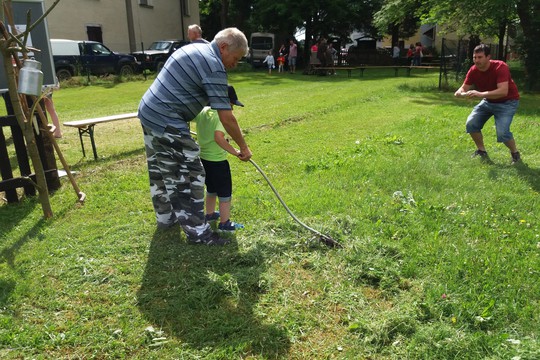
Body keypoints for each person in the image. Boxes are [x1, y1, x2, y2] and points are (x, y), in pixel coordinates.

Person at [138, 27, 252, 246]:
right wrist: (244, 148)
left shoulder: (197, 49)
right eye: (235, 59)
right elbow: (227, 117)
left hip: (149, 111)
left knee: (161, 168)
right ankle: (199, 233)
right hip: (166, 117)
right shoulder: (214, 64)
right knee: (191, 172)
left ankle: (166, 218)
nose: (234, 65)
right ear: (224, 47)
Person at [454, 44, 521, 164]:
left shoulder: (500, 67)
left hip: (507, 102)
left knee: (502, 132)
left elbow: (502, 91)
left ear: (488, 57)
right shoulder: (473, 70)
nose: (476, 60)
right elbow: (463, 88)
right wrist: (461, 93)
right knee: (471, 123)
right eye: (475, 57)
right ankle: (481, 151)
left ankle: (515, 153)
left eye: (480, 57)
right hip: (488, 101)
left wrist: (479, 94)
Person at [193, 85, 245, 232]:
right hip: (218, 162)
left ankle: (209, 214)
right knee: (224, 192)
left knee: (211, 189)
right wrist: (235, 151)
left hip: (204, 159)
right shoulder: (222, 117)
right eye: (231, 105)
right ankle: (225, 223)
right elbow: (218, 138)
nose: (232, 109)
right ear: (224, 102)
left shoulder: (204, 112)